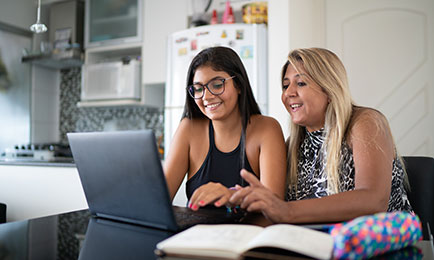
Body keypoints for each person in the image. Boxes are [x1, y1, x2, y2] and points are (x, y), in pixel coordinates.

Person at [230, 47, 413, 223]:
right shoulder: (293, 146)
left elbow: (373, 201)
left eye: (301, 83)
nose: (288, 93)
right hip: (317, 246)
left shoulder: (365, 122)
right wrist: (232, 198)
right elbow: (270, 205)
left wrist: (287, 211)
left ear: (329, 89)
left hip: (379, 245)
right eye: (286, 85)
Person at [164, 46, 286, 211]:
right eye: (199, 88)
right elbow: (160, 200)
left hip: (249, 234)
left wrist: (232, 196)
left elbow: (275, 208)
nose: (206, 96)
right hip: (197, 234)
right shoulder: (188, 129)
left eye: (216, 84)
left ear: (239, 85)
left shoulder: (267, 129)